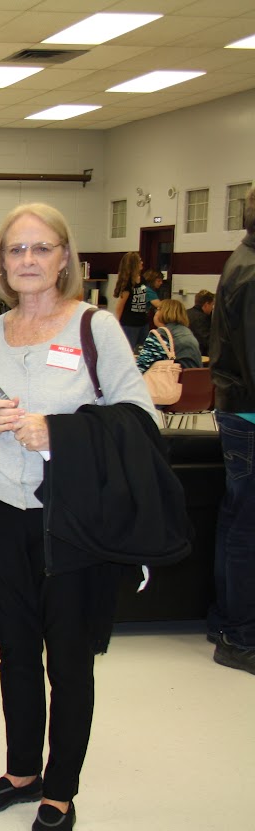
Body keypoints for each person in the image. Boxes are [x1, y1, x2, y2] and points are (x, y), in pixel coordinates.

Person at [0, 203, 156, 831]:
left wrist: (58, 434)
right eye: (17, 251)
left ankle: (60, 788)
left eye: (42, 249)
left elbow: (139, 417)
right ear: (1, 263)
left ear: (65, 257)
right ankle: (21, 771)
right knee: (14, 648)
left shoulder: (96, 328)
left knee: (67, 655)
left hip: (69, 515)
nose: (28, 262)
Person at [208, 181, 255, 676]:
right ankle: (239, 634)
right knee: (247, 530)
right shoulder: (253, 272)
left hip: (235, 407)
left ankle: (227, 623)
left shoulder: (240, 258)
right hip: (250, 410)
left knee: (236, 523)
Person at [135, 298, 202, 373]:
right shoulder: (187, 332)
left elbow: (140, 368)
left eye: (158, 309)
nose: (155, 312)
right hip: (193, 382)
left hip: (171, 382)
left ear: (163, 313)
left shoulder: (159, 335)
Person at [113, 252, 148, 347]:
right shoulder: (128, 283)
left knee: (143, 349)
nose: (142, 263)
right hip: (129, 323)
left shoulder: (143, 279)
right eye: (140, 261)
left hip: (142, 321)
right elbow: (120, 306)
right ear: (134, 264)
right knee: (129, 348)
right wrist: (117, 324)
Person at [187, 289, 214, 356]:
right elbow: (207, 341)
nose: (212, 308)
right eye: (212, 305)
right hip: (199, 354)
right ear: (206, 304)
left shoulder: (185, 313)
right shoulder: (203, 318)